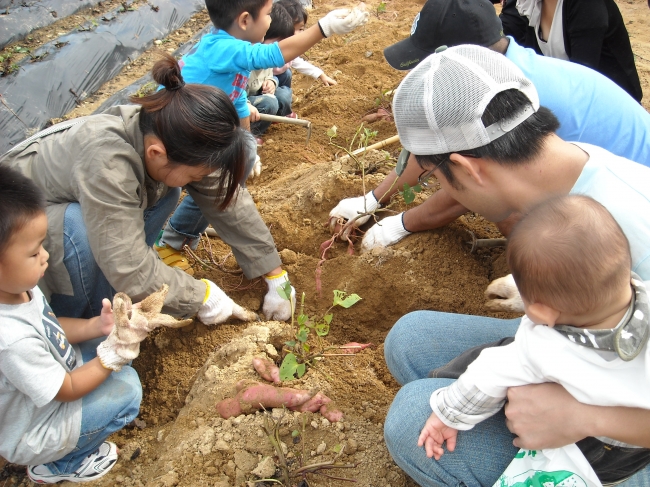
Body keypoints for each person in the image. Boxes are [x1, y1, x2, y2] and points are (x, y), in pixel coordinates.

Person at [381, 44, 650, 486]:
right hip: (603, 359)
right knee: (411, 339)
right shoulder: (569, 173)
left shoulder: (633, 226)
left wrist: (582, 417)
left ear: (466, 169)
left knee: (413, 418)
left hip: (628, 449)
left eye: (435, 178)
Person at [329, 0, 650, 252]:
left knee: (507, 210)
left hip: (622, 209)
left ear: (463, 59)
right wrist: (373, 198)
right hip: (607, 179)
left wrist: (401, 223)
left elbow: (474, 185)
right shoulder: (499, 72)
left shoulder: (512, 98)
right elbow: (437, 146)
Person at [0, 54, 286, 323]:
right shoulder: (106, 159)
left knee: (167, 188)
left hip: (68, 211)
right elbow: (125, 263)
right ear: (156, 153)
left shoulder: (168, 132)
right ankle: (87, 322)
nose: (202, 177)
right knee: (76, 228)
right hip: (16, 238)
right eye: (197, 172)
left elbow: (225, 197)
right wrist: (200, 296)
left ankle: (120, 295)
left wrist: (274, 273)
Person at [419, 194, 650, 483]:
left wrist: (447, 416)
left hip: (587, 447)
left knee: (493, 365)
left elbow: (488, 373)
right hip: (630, 452)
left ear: (542, 311)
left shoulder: (546, 347)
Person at [155, 0, 368, 278]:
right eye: (268, 15)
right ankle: (171, 242)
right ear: (245, 20)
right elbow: (273, 55)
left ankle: (183, 231)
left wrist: (247, 148)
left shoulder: (231, 55)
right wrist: (323, 28)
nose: (270, 21)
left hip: (196, 126)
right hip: (175, 129)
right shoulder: (223, 47)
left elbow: (239, 102)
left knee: (239, 157)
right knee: (203, 186)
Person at [0, 166, 143, 484]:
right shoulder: (9, 340)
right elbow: (66, 391)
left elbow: (50, 326)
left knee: (118, 355)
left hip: (54, 384)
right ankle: (61, 462)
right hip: (36, 430)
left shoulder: (16, 289)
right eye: (34, 252)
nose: (46, 256)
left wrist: (95, 326)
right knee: (128, 391)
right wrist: (109, 357)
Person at [500, 0, 643, 102]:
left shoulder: (586, 5)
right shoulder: (531, 4)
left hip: (609, 103)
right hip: (570, 94)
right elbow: (531, 65)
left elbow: (583, 81)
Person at [247, 3, 296, 139]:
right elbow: (235, 97)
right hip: (245, 103)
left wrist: (271, 82)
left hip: (259, 92)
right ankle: (252, 133)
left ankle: (277, 116)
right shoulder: (245, 62)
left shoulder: (267, 58)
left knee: (284, 94)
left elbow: (270, 75)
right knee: (270, 103)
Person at [273, 0, 339, 89]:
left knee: (286, 74)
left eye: (300, 29)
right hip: (262, 82)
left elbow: (298, 63)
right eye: (292, 29)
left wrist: (321, 75)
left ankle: (285, 97)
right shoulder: (270, 47)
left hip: (277, 79)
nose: (297, 34)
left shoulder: (290, 49)